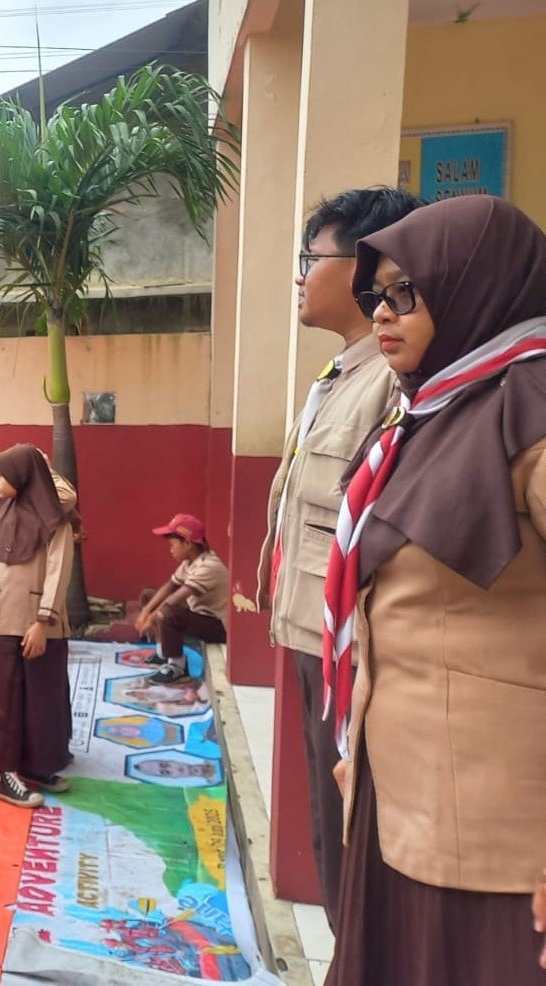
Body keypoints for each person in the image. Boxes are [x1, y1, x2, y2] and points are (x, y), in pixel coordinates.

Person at [320, 196, 546, 986]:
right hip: (397, 792)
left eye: (406, 291)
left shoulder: (531, 412)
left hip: (494, 835)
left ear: (479, 283)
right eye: (375, 294)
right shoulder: (429, 410)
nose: (383, 313)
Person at [256, 187, 422, 929]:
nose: (299, 275)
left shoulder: (394, 382)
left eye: (310, 257)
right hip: (311, 636)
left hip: (351, 650)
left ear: (364, 265)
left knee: (353, 839)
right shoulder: (342, 375)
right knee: (330, 828)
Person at [0, 446, 75, 809]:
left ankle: (34, 764)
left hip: (38, 625)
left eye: (4, 475)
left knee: (42, 697)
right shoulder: (3, 517)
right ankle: (2, 774)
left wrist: (42, 621)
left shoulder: (55, 521)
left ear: (24, 476)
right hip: (4, 621)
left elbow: (58, 572)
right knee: (6, 698)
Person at [136, 515, 228, 685]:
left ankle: (177, 667)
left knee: (168, 612)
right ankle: (162, 653)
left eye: (173, 544)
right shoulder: (190, 562)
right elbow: (169, 586)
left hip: (217, 626)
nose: (171, 550)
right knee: (148, 595)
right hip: (200, 616)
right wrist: (145, 611)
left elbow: (175, 599)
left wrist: (150, 619)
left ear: (187, 543)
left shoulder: (209, 566)